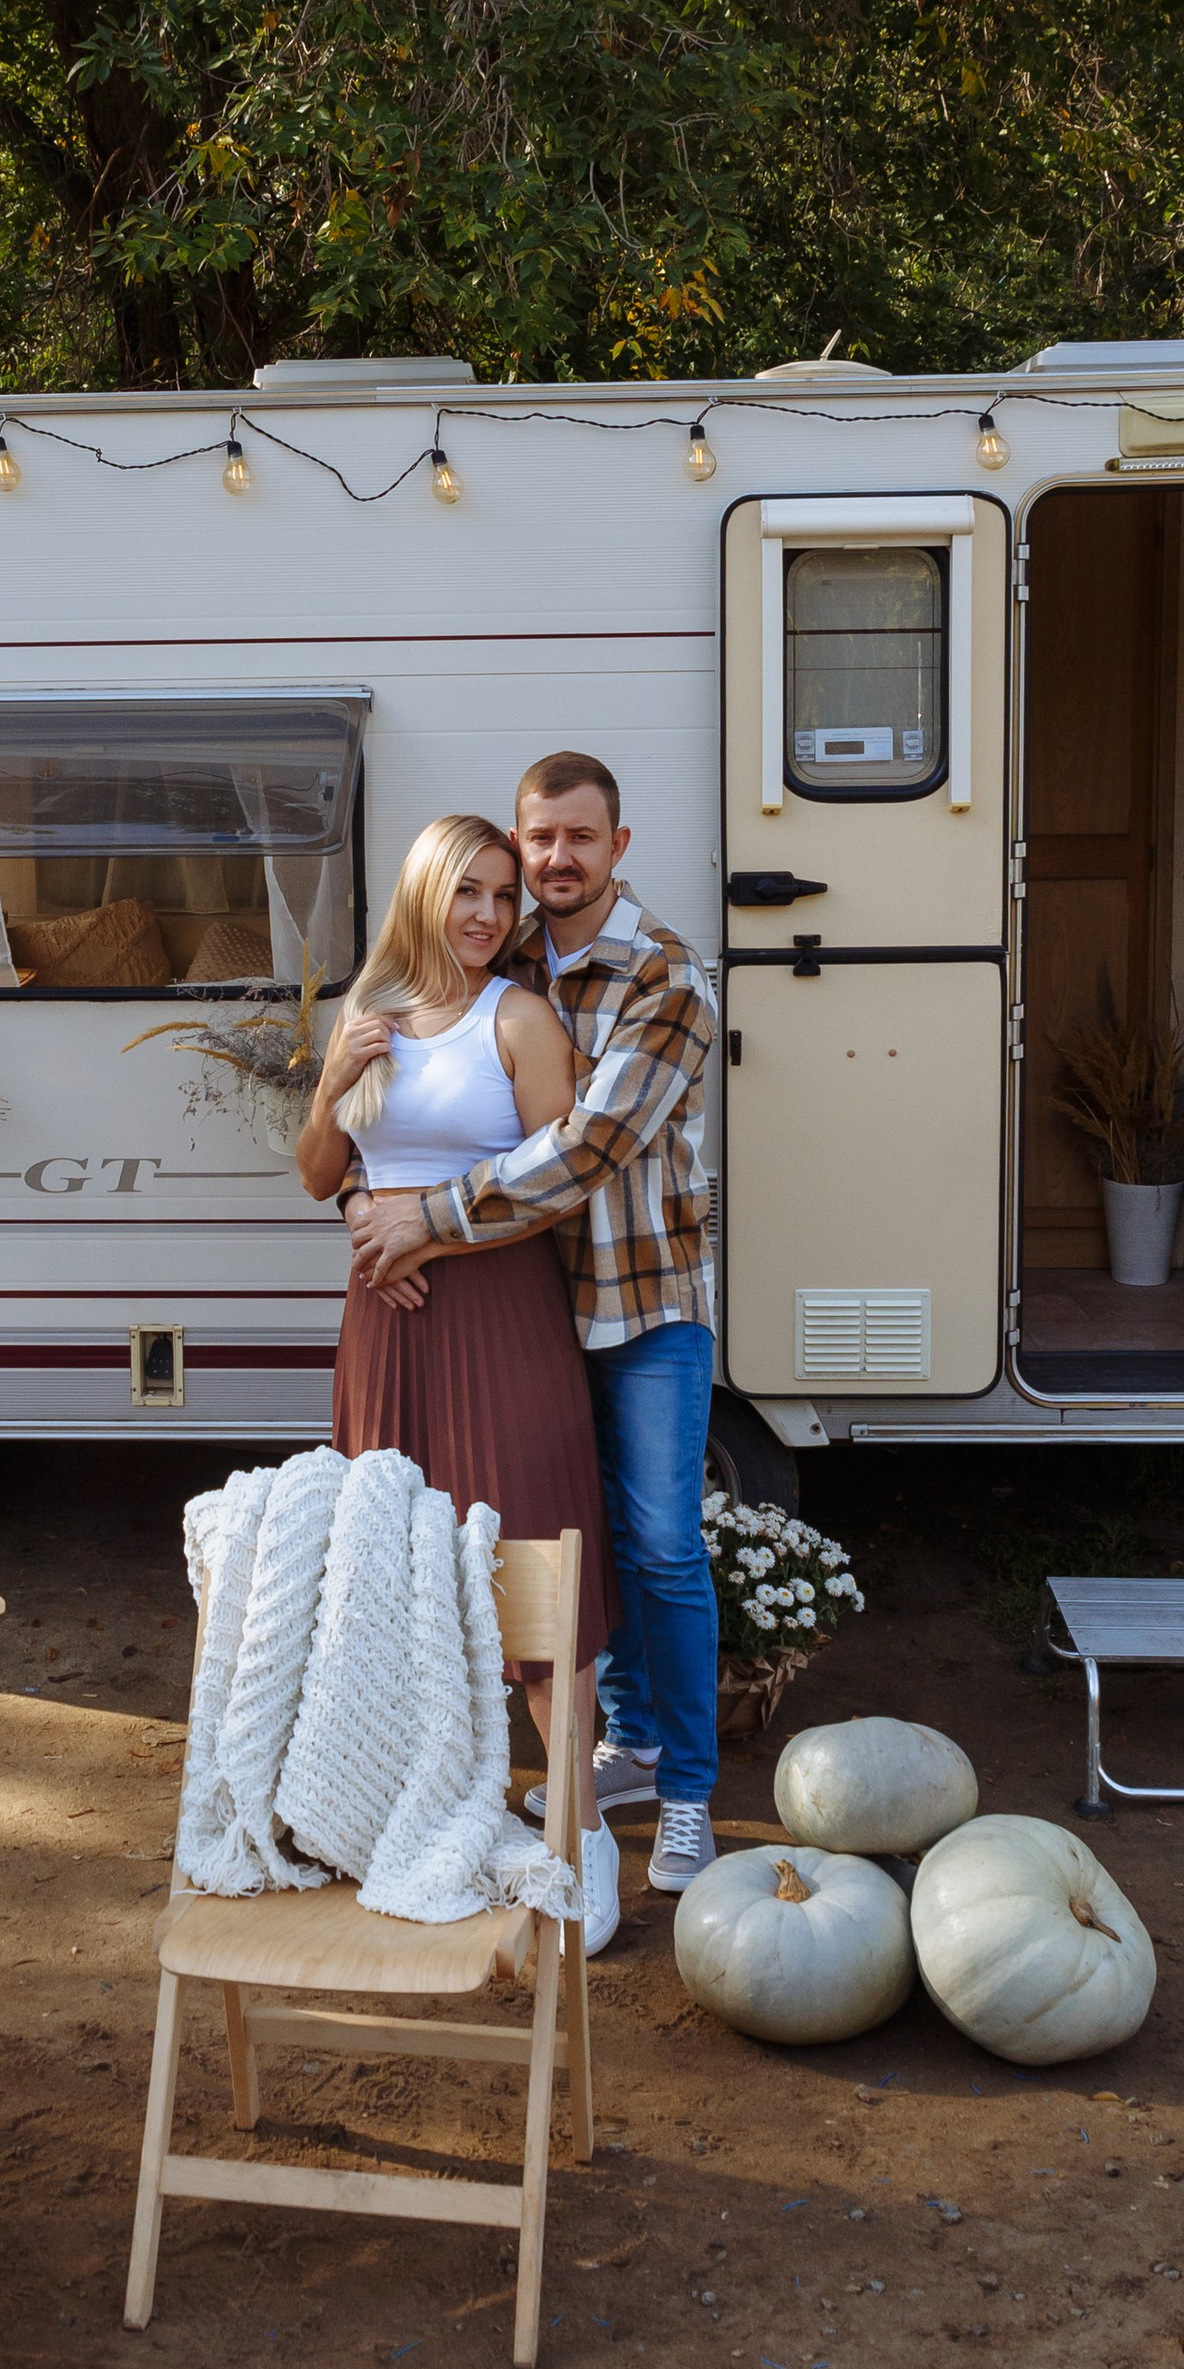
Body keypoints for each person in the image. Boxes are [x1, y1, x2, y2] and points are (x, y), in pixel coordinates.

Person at [344, 752, 723, 1894]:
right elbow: (421, 1115)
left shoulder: (667, 981)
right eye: (536, 841)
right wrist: (370, 1202)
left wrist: (423, 1224)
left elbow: (584, 1150)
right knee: (571, 1537)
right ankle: (628, 1747)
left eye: (577, 839)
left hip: (640, 1304)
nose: (551, 862)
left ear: (618, 845)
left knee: (658, 1542)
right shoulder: (496, 956)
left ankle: (692, 1792)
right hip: (525, 1310)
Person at [297, 813, 623, 1946]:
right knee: (396, 1571)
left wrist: (423, 1236)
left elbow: (560, 1188)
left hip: (498, 1314)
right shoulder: (368, 1010)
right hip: (384, 1326)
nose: (488, 915)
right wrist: (337, 1071)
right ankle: (425, 1818)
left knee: (534, 1569)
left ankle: (583, 1842)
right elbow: (316, 1174)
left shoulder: (519, 1018)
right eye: (468, 893)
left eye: (502, 896)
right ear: (424, 894)